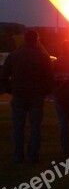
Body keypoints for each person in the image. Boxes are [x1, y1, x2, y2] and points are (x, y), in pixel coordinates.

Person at [0, 30, 53, 163]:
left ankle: (18, 155)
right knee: (35, 127)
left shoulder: (14, 55)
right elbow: (49, 78)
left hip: (19, 95)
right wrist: (44, 92)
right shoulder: (43, 56)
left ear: (25, 39)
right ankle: (33, 155)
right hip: (36, 96)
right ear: (37, 39)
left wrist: (10, 90)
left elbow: (4, 75)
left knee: (18, 127)